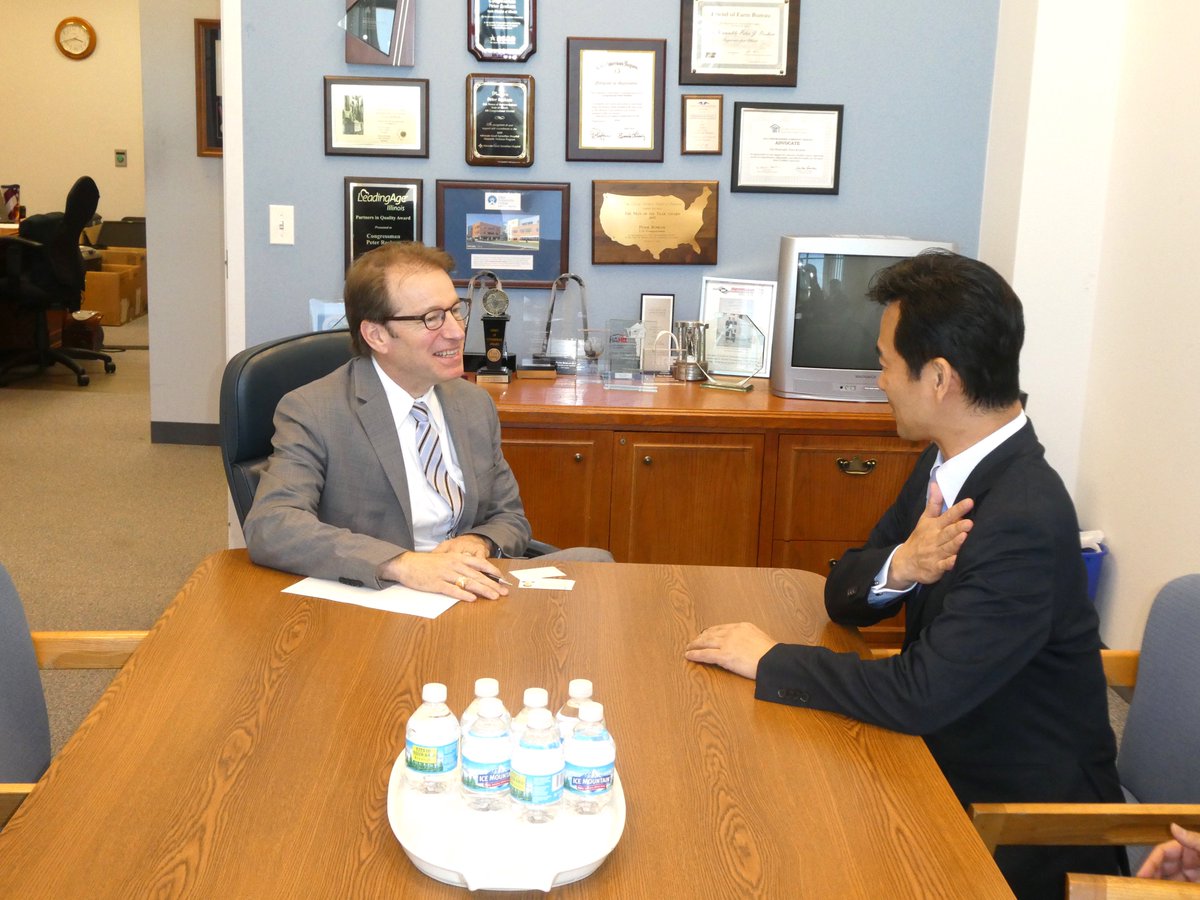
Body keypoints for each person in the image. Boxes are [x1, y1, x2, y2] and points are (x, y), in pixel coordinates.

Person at [685, 250, 1124, 899]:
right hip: (934, 757)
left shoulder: (1024, 515)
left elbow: (922, 693)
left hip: (1015, 828)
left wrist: (772, 659)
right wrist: (902, 565)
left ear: (939, 378)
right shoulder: (945, 464)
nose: (880, 380)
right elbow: (842, 594)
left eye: (887, 362)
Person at [244, 241, 610, 600]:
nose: (456, 331)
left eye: (455, 310)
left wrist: (478, 541)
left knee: (596, 564)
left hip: (468, 586)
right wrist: (401, 564)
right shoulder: (314, 410)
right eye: (431, 318)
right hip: (383, 596)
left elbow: (509, 517)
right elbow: (272, 525)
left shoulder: (472, 403)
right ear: (377, 335)